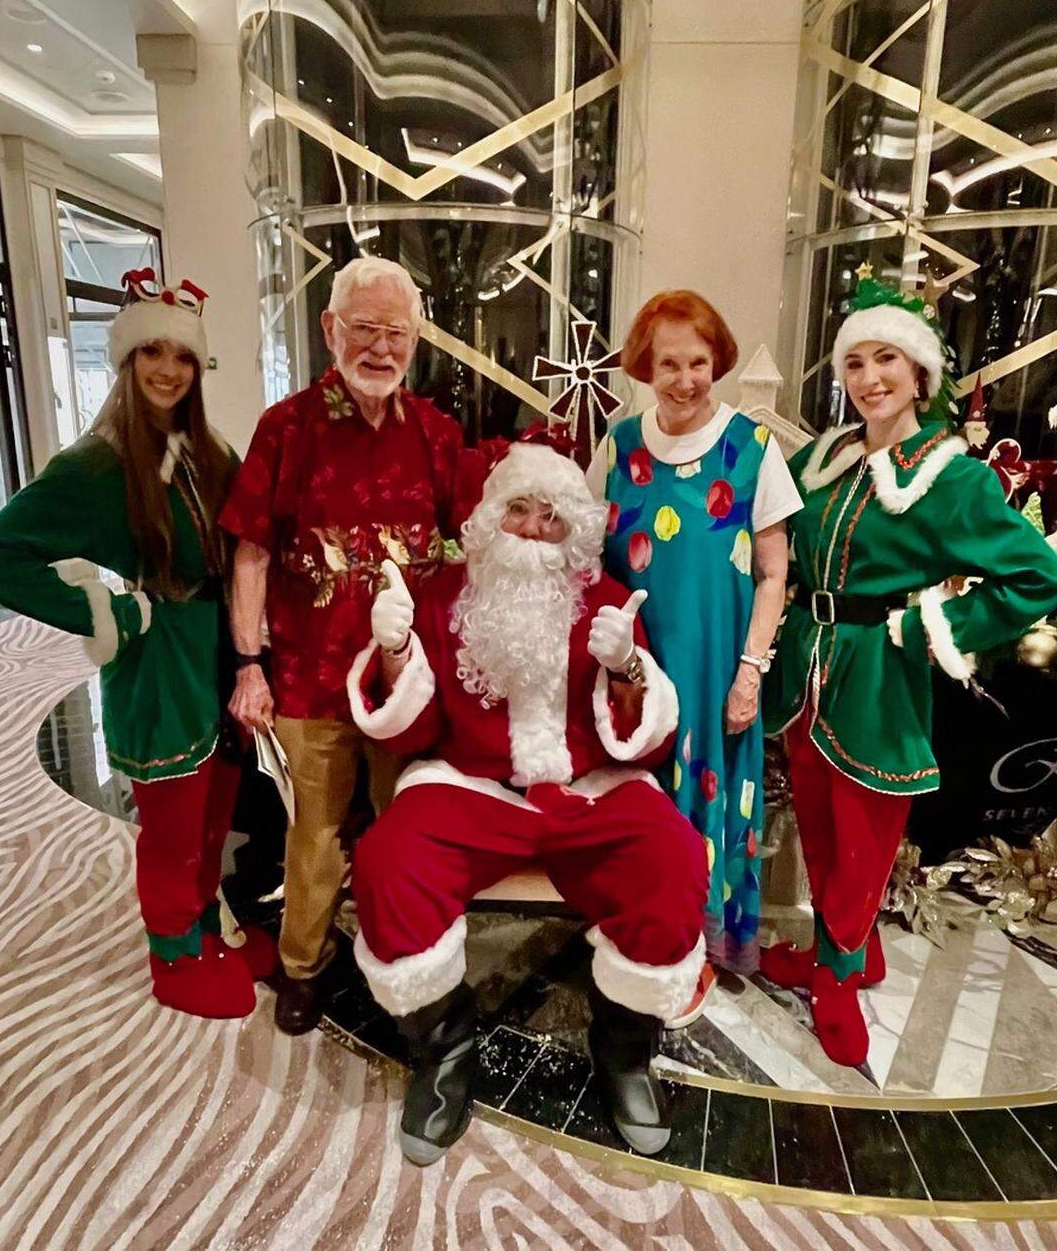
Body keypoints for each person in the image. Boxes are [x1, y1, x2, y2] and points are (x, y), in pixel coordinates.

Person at [347, 442, 708, 1165]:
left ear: (573, 527)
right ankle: (445, 1056)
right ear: (489, 515)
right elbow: (410, 732)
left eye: (552, 516)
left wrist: (628, 666)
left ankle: (626, 1054)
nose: (535, 528)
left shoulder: (606, 600)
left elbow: (648, 746)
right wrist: (392, 654)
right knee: (388, 863)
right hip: (471, 787)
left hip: (590, 789)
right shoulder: (447, 595)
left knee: (669, 860)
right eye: (519, 508)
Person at [761, 270, 1057, 1066]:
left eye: (886, 362)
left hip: (877, 680)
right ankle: (853, 953)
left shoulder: (953, 476)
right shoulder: (825, 459)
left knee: (865, 840)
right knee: (822, 829)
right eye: (855, 363)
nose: (869, 379)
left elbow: (1041, 579)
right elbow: (771, 536)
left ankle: (834, 978)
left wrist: (928, 627)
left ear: (921, 374)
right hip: (807, 673)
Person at [0, 269, 274, 1018]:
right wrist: (108, 609)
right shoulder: (97, 464)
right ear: (127, 361)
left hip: (216, 653)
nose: (167, 370)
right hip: (158, 667)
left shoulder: (208, 449)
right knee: (171, 826)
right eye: (151, 354)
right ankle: (173, 956)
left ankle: (206, 928)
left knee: (213, 811)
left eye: (181, 356)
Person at [220, 256, 474, 1035]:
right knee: (315, 837)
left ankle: (401, 960)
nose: (380, 348)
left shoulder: (436, 433)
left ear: (416, 342)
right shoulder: (285, 428)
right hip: (309, 677)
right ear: (331, 330)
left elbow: (474, 543)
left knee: (406, 835)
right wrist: (250, 667)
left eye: (396, 333)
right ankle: (305, 966)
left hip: (407, 686)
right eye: (364, 328)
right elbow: (251, 554)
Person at [588, 290, 801, 1026]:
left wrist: (752, 670)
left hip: (716, 667)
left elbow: (774, 573)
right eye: (669, 363)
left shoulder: (753, 447)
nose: (684, 379)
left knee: (708, 799)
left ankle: (700, 946)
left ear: (720, 363)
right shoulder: (618, 445)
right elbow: (586, 556)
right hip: (635, 668)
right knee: (637, 801)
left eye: (699, 363)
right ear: (645, 366)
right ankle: (640, 945)